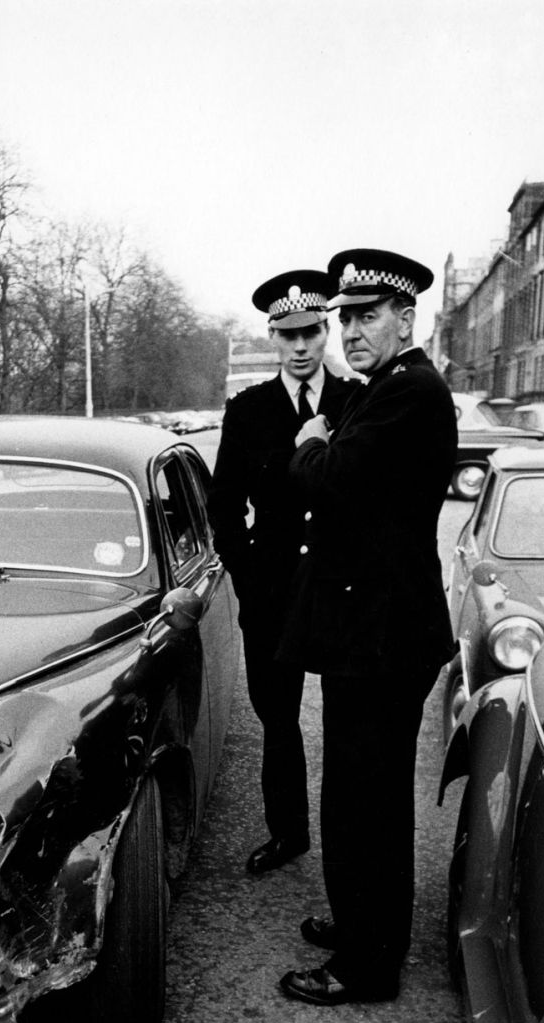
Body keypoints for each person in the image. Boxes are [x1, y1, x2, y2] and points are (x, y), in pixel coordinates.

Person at [275, 248, 457, 1006]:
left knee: (365, 802)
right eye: (343, 317)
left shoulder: (407, 393)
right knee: (364, 795)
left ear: (405, 318)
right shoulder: (386, 387)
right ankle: (363, 926)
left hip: (381, 638)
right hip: (375, 629)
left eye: (366, 315)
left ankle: (366, 964)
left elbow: (327, 479)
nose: (349, 330)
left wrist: (309, 440)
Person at [207, 270, 359, 875]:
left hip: (340, 587)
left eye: (312, 332)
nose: (301, 347)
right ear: (273, 336)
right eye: (288, 334)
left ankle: (347, 855)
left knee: (349, 724)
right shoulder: (248, 411)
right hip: (271, 590)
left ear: (327, 333)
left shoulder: (355, 401)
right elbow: (223, 504)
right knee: (278, 719)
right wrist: (246, 570)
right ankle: (288, 832)